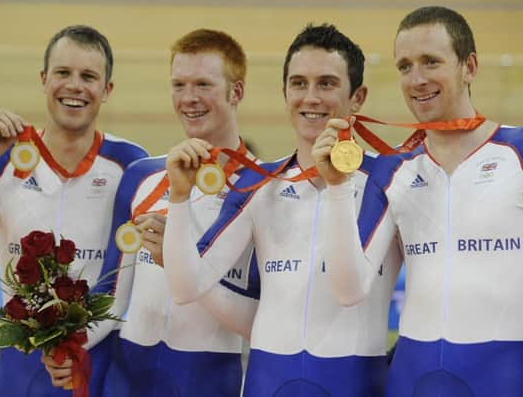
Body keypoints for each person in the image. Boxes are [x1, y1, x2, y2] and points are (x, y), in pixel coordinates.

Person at [163, 24, 401, 396]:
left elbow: (350, 290)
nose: (311, 97)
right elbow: (184, 286)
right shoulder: (259, 183)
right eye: (299, 83)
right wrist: (178, 198)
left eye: (327, 83)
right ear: (285, 91)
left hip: (354, 383)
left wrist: (338, 186)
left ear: (357, 97)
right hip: (267, 382)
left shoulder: (389, 180)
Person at [314, 5, 523, 396]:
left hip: (506, 378)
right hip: (413, 380)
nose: (416, 79)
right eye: (404, 66)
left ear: (469, 66)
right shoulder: (393, 170)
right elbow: (348, 290)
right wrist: (336, 187)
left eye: (431, 62)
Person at [44, 28, 260, 396]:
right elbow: (111, 290)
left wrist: (181, 260)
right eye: (178, 85)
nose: (188, 98)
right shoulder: (142, 175)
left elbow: (265, 315)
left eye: (203, 84)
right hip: (129, 374)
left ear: (236, 92)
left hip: (209, 378)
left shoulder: (263, 187)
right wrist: (68, 344)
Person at [0, 25, 149, 397]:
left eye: (89, 76)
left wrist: (75, 345)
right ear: (43, 79)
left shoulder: (130, 165)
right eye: (63, 73)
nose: (75, 86)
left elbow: (131, 277)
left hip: (100, 363)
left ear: (107, 90)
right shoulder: (1, 157)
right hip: (21, 369)